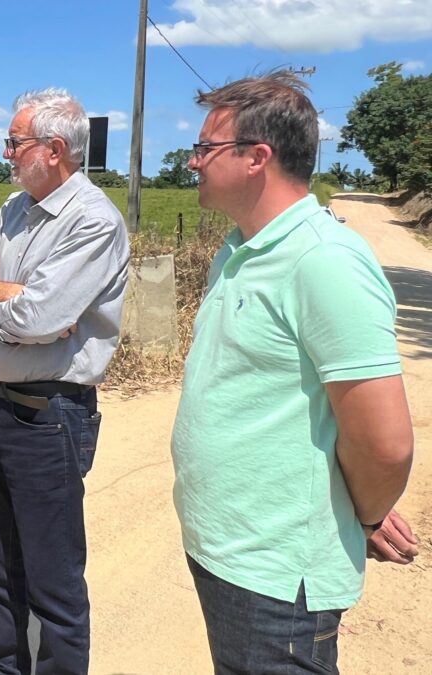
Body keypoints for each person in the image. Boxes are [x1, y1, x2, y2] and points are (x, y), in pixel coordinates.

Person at [171, 70, 416, 673]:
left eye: (205, 148)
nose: (193, 162)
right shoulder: (238, 249)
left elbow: (384, 445)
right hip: (223, 548)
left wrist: (360, 516)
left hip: (276, 574)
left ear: (257, 157)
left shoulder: (324, 260)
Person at [0, 88, 129, 675]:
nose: (6, 153)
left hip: (50, 414)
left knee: (52, 574)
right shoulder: (14, 207)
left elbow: (43, 320)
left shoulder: (93, 220)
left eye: (14, 143)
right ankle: (5, 665)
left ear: (53, 149)